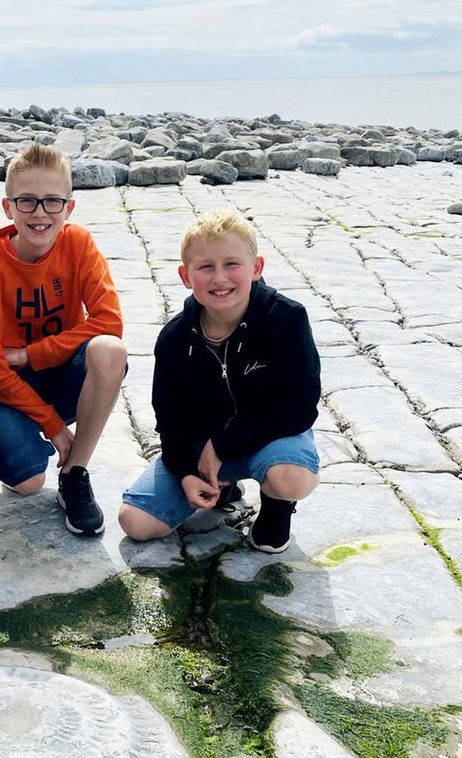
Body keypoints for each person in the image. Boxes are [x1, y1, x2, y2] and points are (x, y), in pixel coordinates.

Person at [118, 209, 321, 552]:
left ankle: (275, 510)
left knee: (290, 476)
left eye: (232, 264)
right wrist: (185, 472)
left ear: (256, 267)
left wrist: (222, 446)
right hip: (200, 449)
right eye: (206, 267)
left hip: (268, 438)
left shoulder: (286, 319)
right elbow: (169, 421)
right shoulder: (175, 339)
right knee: (136, 521)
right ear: (186, 275)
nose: (220, 278)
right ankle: (223, 486)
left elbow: (300, 406)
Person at [0, 143, 127, 537]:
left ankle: (75, 473)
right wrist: (53, 425)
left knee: (111, 351)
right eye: (27, 201)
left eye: (52, 202)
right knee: (28, 485)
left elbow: (109, 321)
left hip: (59, 376)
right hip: (8, 391)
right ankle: (29, 451)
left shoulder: (78, 243)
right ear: (8, 208)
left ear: (68, 208)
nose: (40, 213)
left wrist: (31, 354)